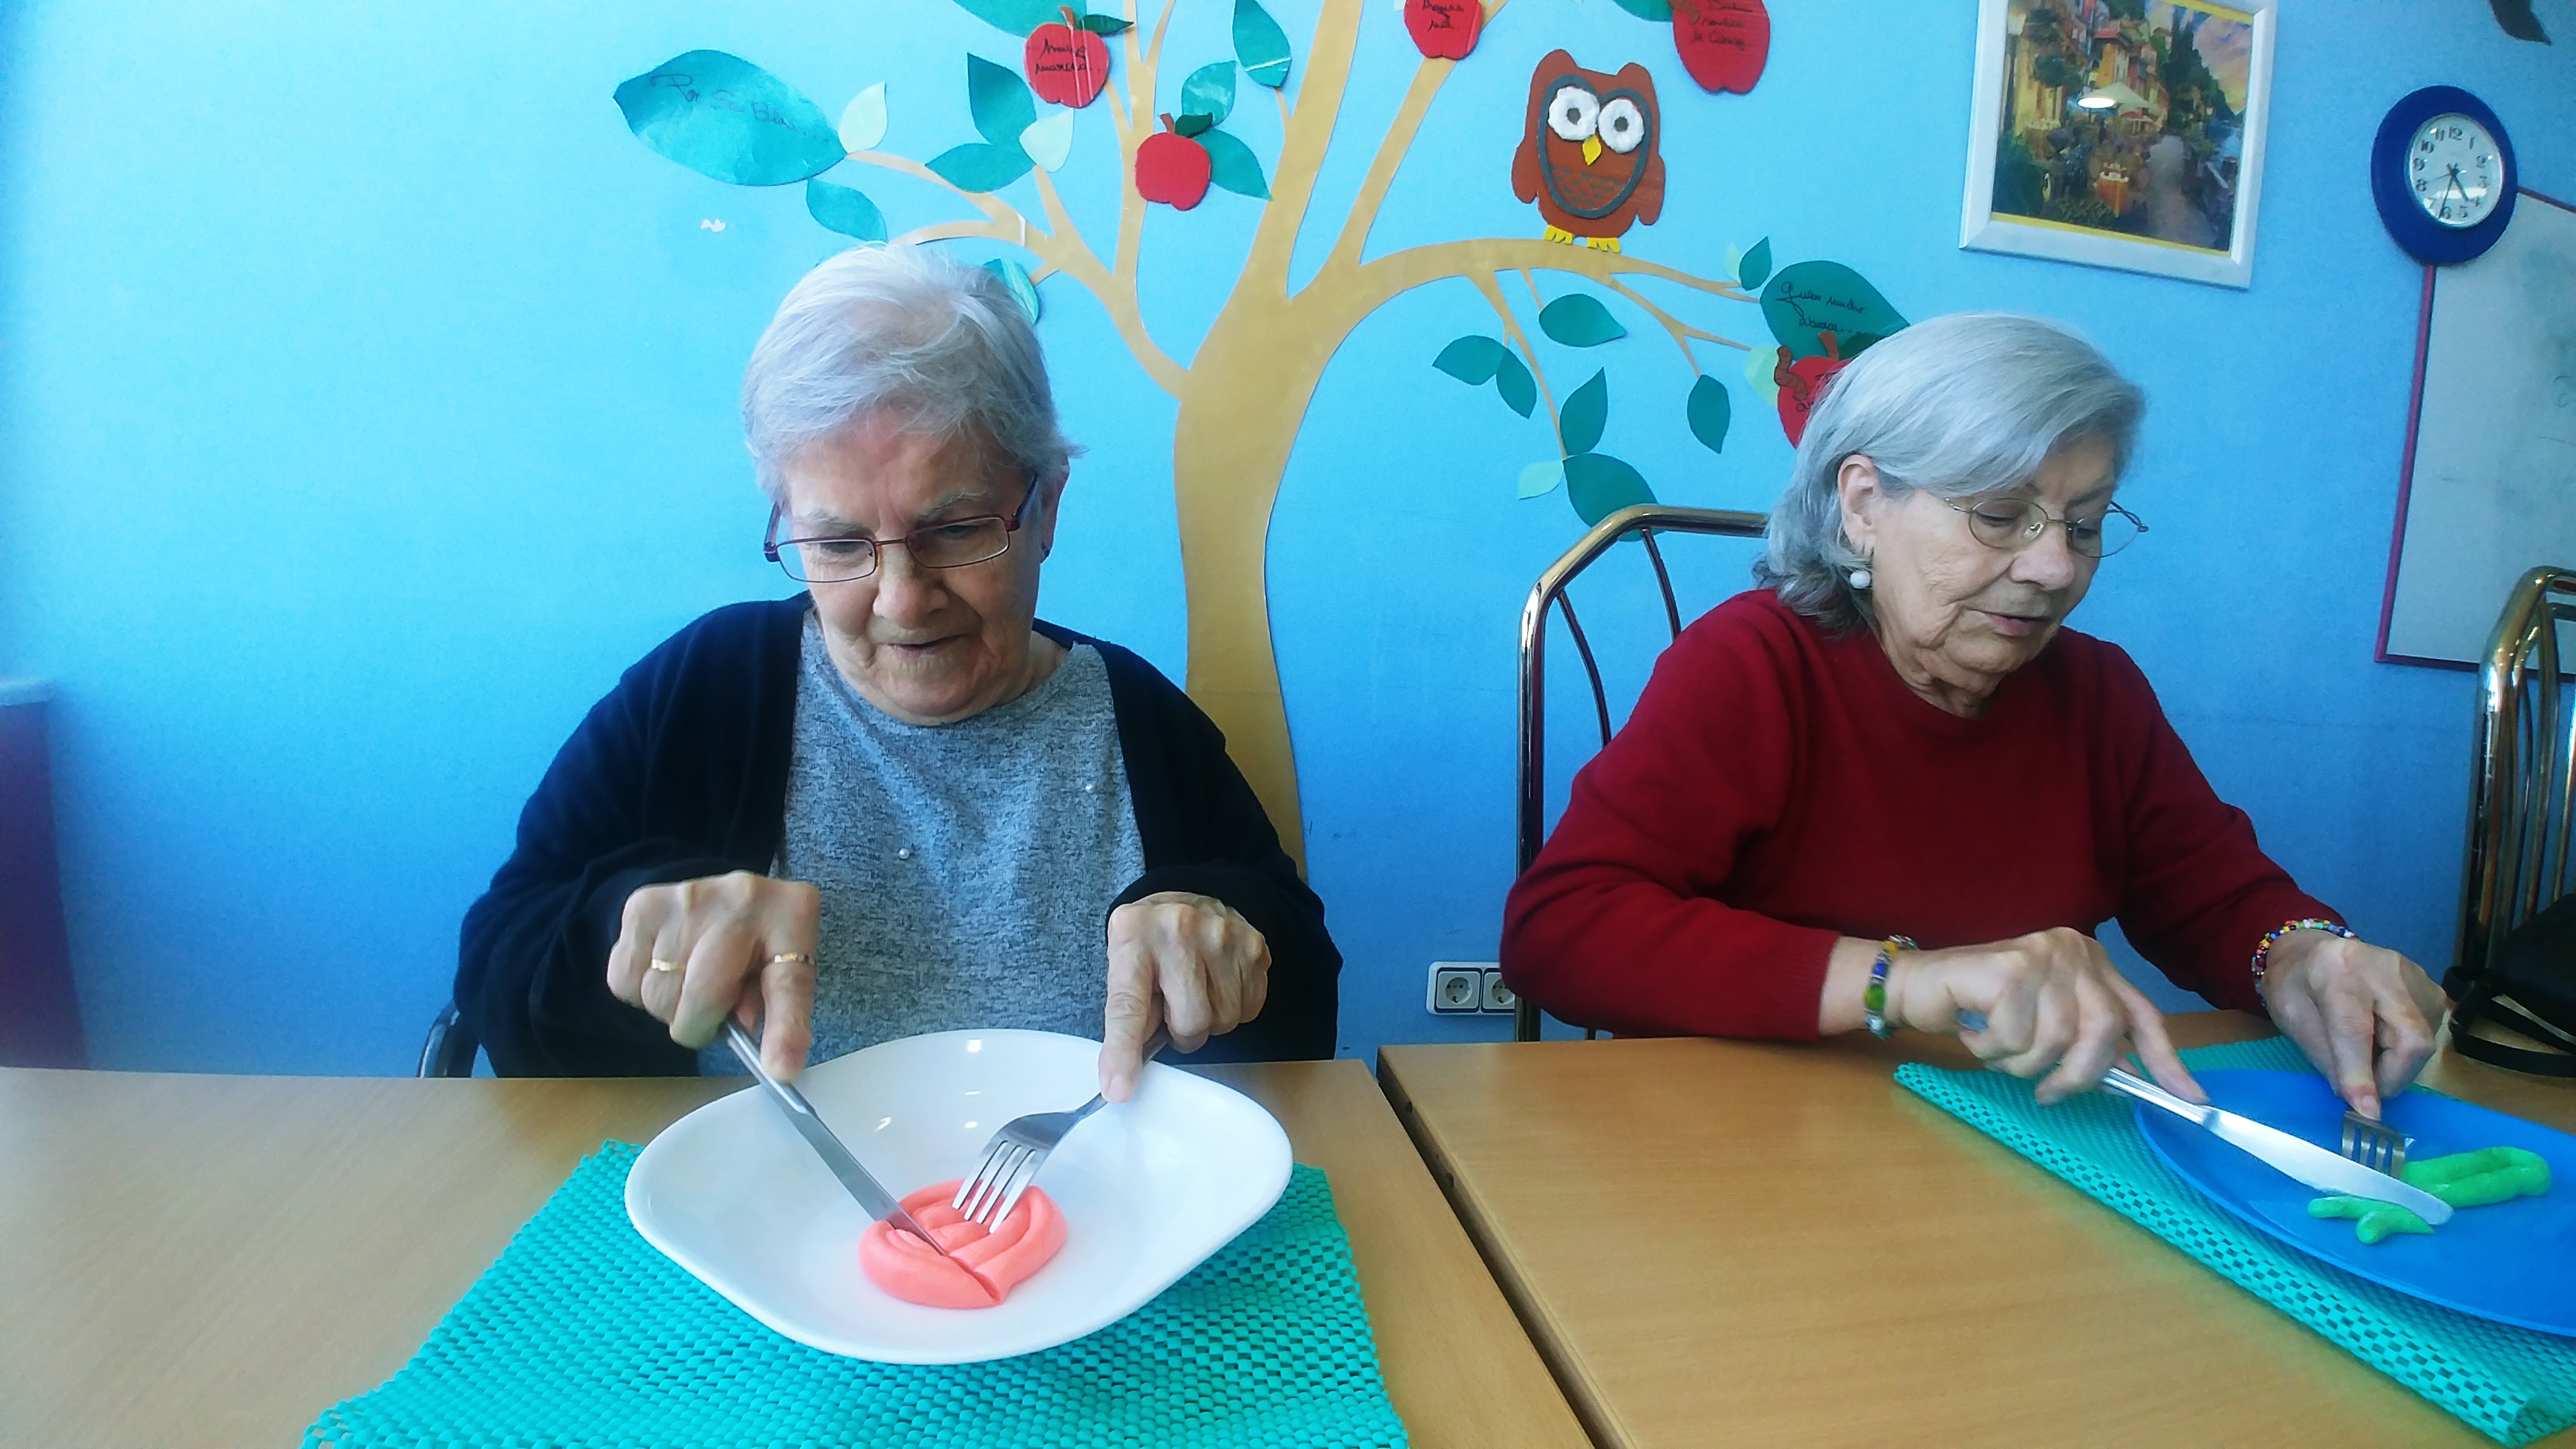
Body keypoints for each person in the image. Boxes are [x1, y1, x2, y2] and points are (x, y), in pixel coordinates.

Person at [1500, 313, 2447, 1116]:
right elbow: (1562, 931)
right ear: (1865, 503)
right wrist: (1903, 981)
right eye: (2000, 516)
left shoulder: (2098, 696)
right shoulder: (1752, 667)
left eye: (2083, 525)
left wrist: (2306, 957)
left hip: (2008, 1141)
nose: (2055, 568)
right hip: (1740, 1145)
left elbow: (2222, 900)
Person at [457, 243, 1339, 1099]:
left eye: (955, 532)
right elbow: (497, 981)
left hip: (1092, 1227)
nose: (903, 600)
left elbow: (1306, 1011)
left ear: (1046, 506)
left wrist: (1229, 934)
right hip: (758, 1217)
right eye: (839, 544)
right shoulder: (700, 695)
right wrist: (629, 927)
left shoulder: (1143, 724)